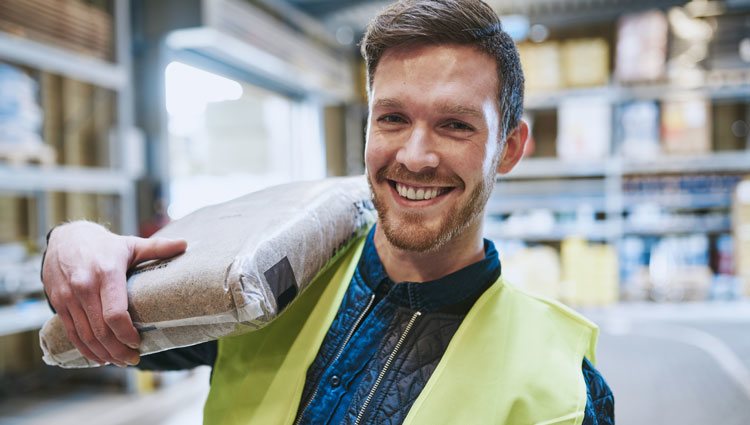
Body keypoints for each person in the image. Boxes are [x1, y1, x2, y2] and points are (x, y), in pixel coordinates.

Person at [41, 0, 614, 423]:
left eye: (456, 125)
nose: (414, 157)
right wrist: (75, 243)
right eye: (392, 118)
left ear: (510, 148)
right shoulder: (269, 279)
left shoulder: (563, 390)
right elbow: (110, 330)